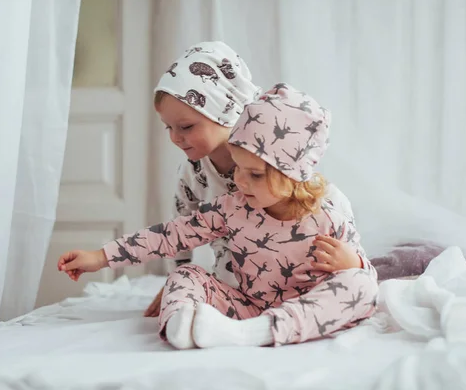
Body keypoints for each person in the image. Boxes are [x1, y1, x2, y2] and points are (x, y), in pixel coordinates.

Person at [57, 83, 379, 349]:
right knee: (186, 275)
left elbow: (365, 277)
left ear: (293, 176)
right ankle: (182, 325)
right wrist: (101, 256)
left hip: (305, 308)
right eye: (238, 169)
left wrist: (355, 263)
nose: (239, 181)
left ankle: (255, 334)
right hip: (244, 305)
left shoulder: (328, 218)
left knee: (360, 286)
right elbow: (170, 235)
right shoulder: (232, 207)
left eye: (254, 175)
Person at [145, 40, 362, 317]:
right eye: (168, 128)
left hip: (296, 280)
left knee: (356, 286)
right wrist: (174, 282)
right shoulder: (192, 173)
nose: (175, 138)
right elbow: (178, 232)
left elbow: (321, 199)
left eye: (186, 126)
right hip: (236, 288)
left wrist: (351, 260)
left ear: (225, 110)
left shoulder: (271, 152)